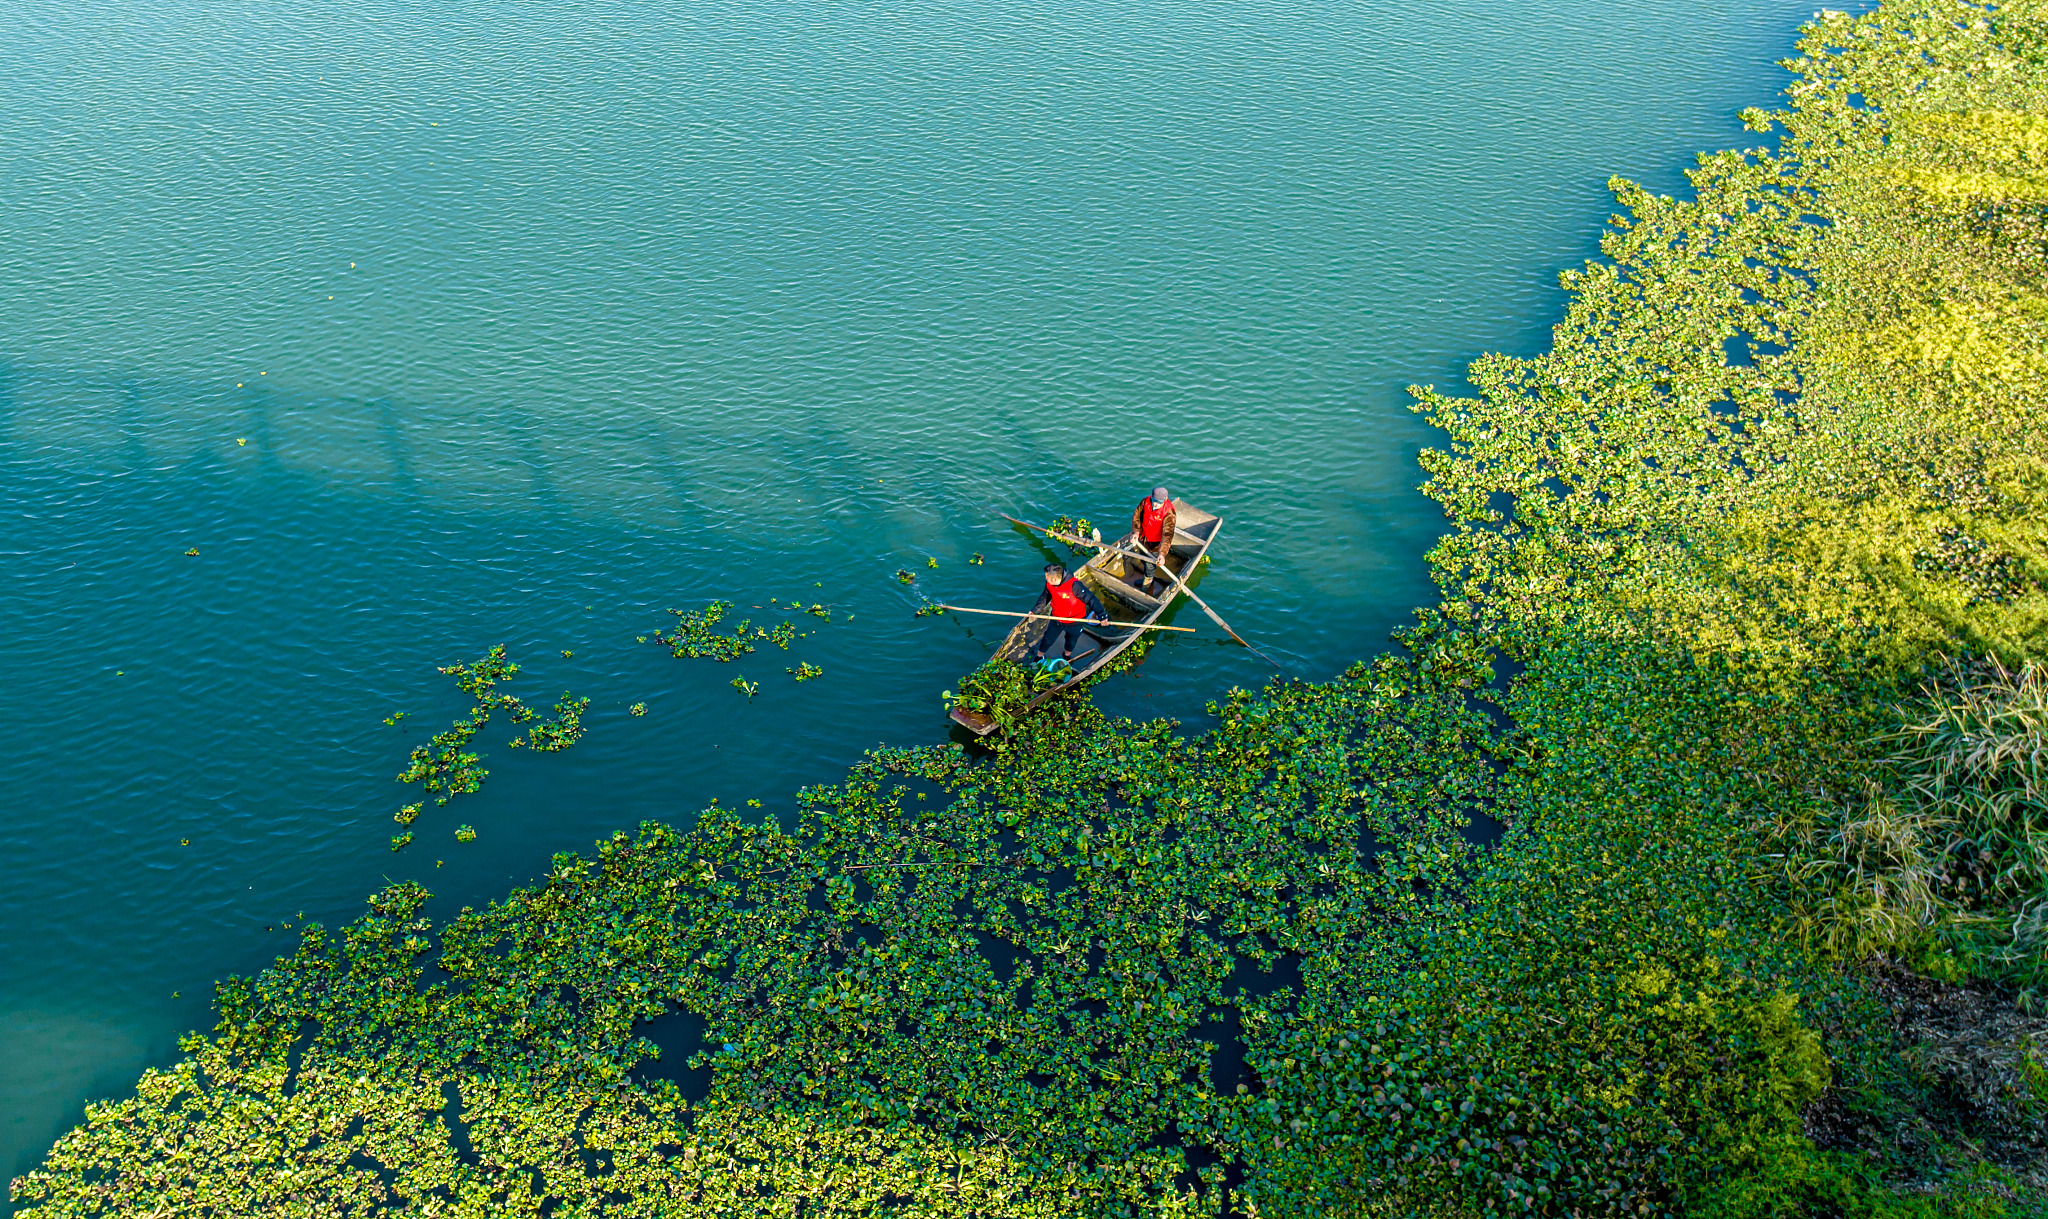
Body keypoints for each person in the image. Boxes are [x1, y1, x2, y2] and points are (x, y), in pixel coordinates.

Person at [1031, 561, 1108, 668]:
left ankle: (1066, 655)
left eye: (1046, 577)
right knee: (1048, 638)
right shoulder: (1050, 584)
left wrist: (1102, 614)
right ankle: (1039, 656)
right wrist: (1035, 610)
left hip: (1075, 621)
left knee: (1071, 641)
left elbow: (1090, 599)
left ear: (1054, 579)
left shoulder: (1075, 586)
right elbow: (1045, 596)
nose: (1045, 579)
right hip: (1057, 618)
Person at [1129, 486, 1178, 595]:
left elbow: (1167, 535)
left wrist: (1162, 554)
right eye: (1154, 501)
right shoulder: (1145, 501)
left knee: (1150, 565)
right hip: (1143, 539)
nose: (1155, 504)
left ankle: (1148, 583)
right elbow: (1137, 516)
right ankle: (1148, 578)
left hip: (1156, 544)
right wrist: (1136, 532)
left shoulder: (1169, 513)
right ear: (1151, 497)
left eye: (1159, 503)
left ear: (1165, 500)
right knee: (1143, 558)